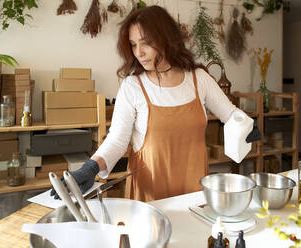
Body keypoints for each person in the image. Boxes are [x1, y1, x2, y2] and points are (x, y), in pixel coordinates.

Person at [51, 5, 258, 202]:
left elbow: (230, 115)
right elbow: (117, 140)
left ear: (166, 38)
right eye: (133, 44)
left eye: (146, 43)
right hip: (149, 196)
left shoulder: (199, 79)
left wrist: (247, 126)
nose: (138, 52)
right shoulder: (133, 86)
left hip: (193, 191)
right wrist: (91, 168)